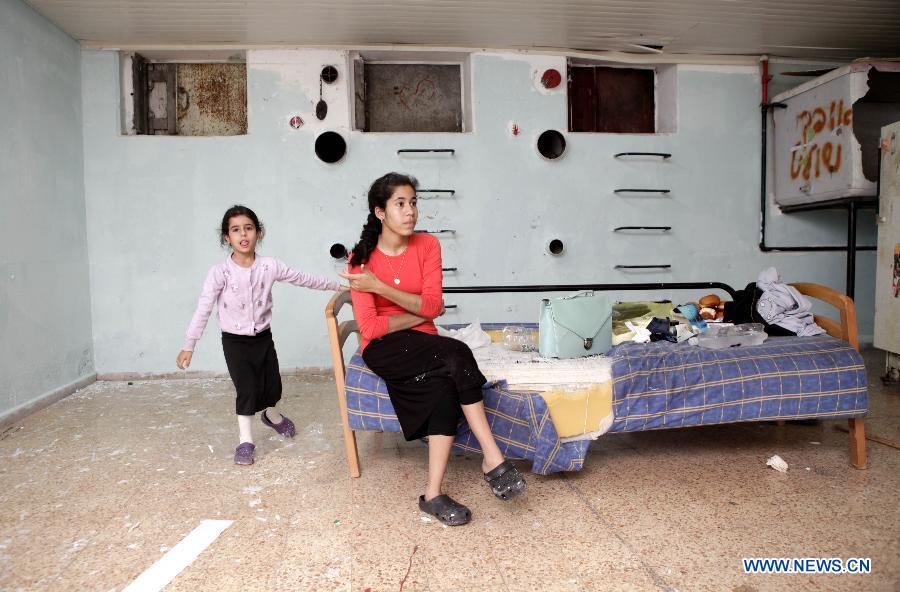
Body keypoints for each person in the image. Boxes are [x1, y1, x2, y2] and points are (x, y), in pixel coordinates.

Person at [340, 172, 526, 526]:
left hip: (425, 342)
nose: (410, 211)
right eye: (400, 204)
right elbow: (372, 328)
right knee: (456, 352)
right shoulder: (360, 261)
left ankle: (432, 495)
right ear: (380, 212)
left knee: (444, 386)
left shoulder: (427, 246)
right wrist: (422, 309)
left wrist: (393, 295)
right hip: (383, 349)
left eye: (413, 203)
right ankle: (492, 458)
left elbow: (432, 306)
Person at [176, 205, 343, 465]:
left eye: (248, 228)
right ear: (226, 237)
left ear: (258, 232)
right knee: (247, 389)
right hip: (235, 342)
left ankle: (272, 416)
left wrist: (338, 285)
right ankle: (246, 441)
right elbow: (203, 308)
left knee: (272, 385)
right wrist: (189, 344)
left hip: (263, 338)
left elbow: (303, 278)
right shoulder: (219, 273)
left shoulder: (269, 266)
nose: (243, 234)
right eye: (235, 230)